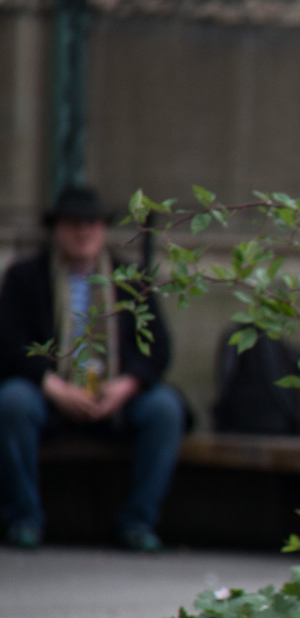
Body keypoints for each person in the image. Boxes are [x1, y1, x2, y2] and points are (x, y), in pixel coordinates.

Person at [0, 185, 184, 551]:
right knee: (11, 402)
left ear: (103, 229)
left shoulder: (131, 278)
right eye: (73, 224)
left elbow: (159, 349)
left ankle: (138, 522)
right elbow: (8, 346)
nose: (83, 232)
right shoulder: (26, 277)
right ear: (56, 229)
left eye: (91, 223)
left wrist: (127, 385)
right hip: (49, 394)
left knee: (165, 409)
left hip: (115, 395)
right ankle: (24, 518)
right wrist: (53, 386)